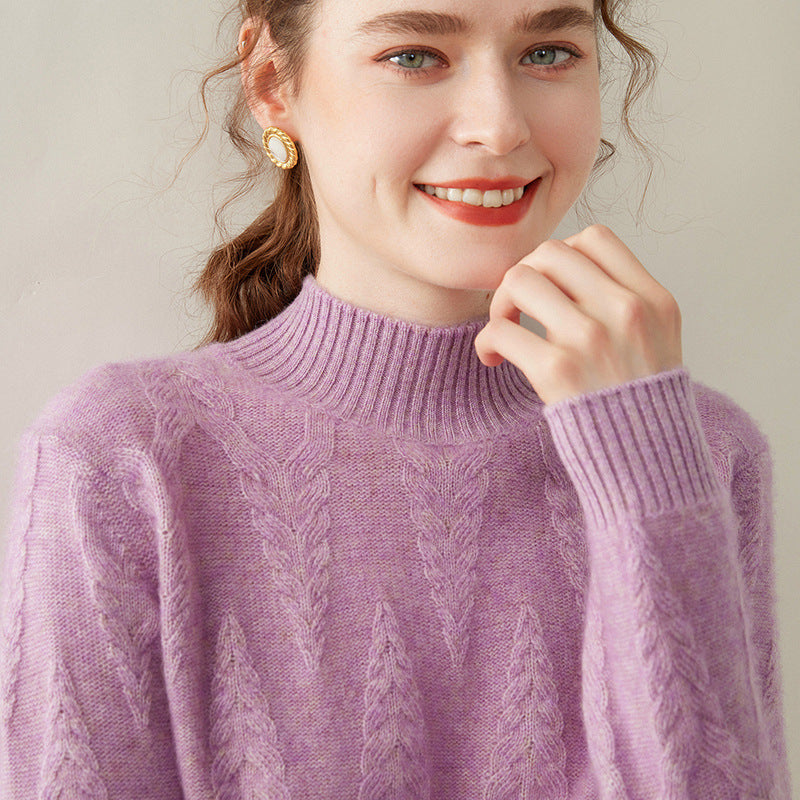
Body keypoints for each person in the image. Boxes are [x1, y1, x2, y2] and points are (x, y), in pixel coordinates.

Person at [0, 0, 791, 796]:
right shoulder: (121, 463)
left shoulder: (703, 452)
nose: (500, 127)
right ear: (272, 82)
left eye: (549, 52)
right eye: (413, 56)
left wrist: (647, 466)